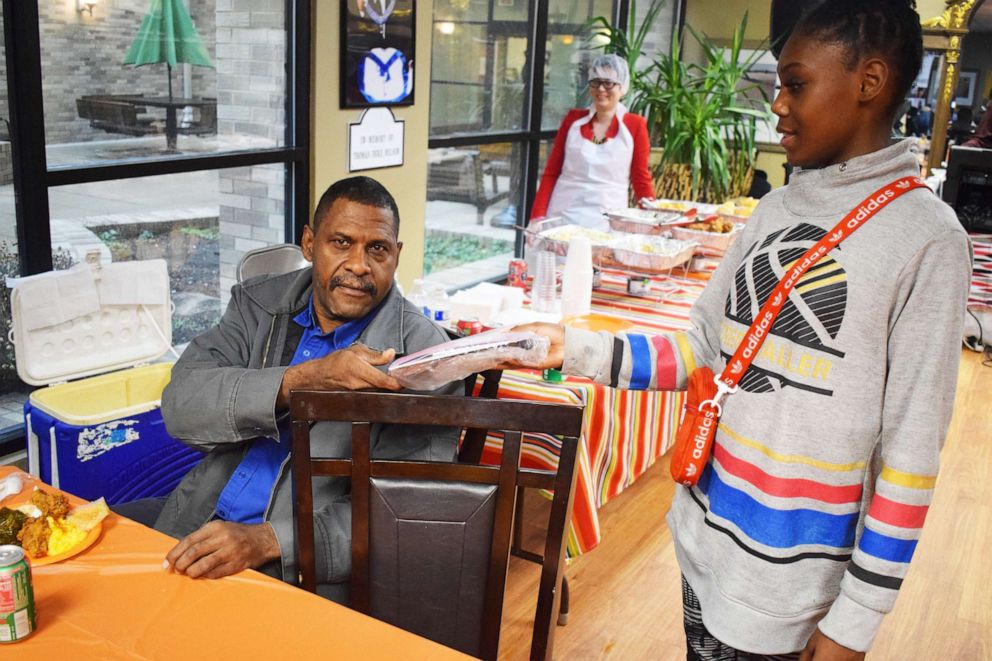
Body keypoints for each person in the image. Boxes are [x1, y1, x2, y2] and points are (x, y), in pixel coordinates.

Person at [507, 1, 971, 658]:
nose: (777, 103)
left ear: (868, 83)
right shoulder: (774, 211)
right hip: (702, 540)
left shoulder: (926, 241)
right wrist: (573, 346)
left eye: (796, 84)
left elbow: (911, 452)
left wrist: (855, 619)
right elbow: (701, 348)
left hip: (794, 591)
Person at [116, 176, 459, 599]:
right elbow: (182, 404)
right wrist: (299, 381)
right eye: (341, 243)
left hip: (303, 567)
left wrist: (266, 539)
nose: (358, 265)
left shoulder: (422, 356)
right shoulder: (259, 305)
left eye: (377, 249)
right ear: (310, 244)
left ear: (396, 255)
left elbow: (407, 508)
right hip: (199, 514)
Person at [529, 54, 655, 230]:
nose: (601, 89)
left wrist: (654, 222)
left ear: (623, 87)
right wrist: (537, 216)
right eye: (595, 82)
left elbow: (641, 179)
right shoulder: (573, 120)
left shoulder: (635, 125)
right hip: (563, 215)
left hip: (607, 219)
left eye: (608, 83)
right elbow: (552, 172)